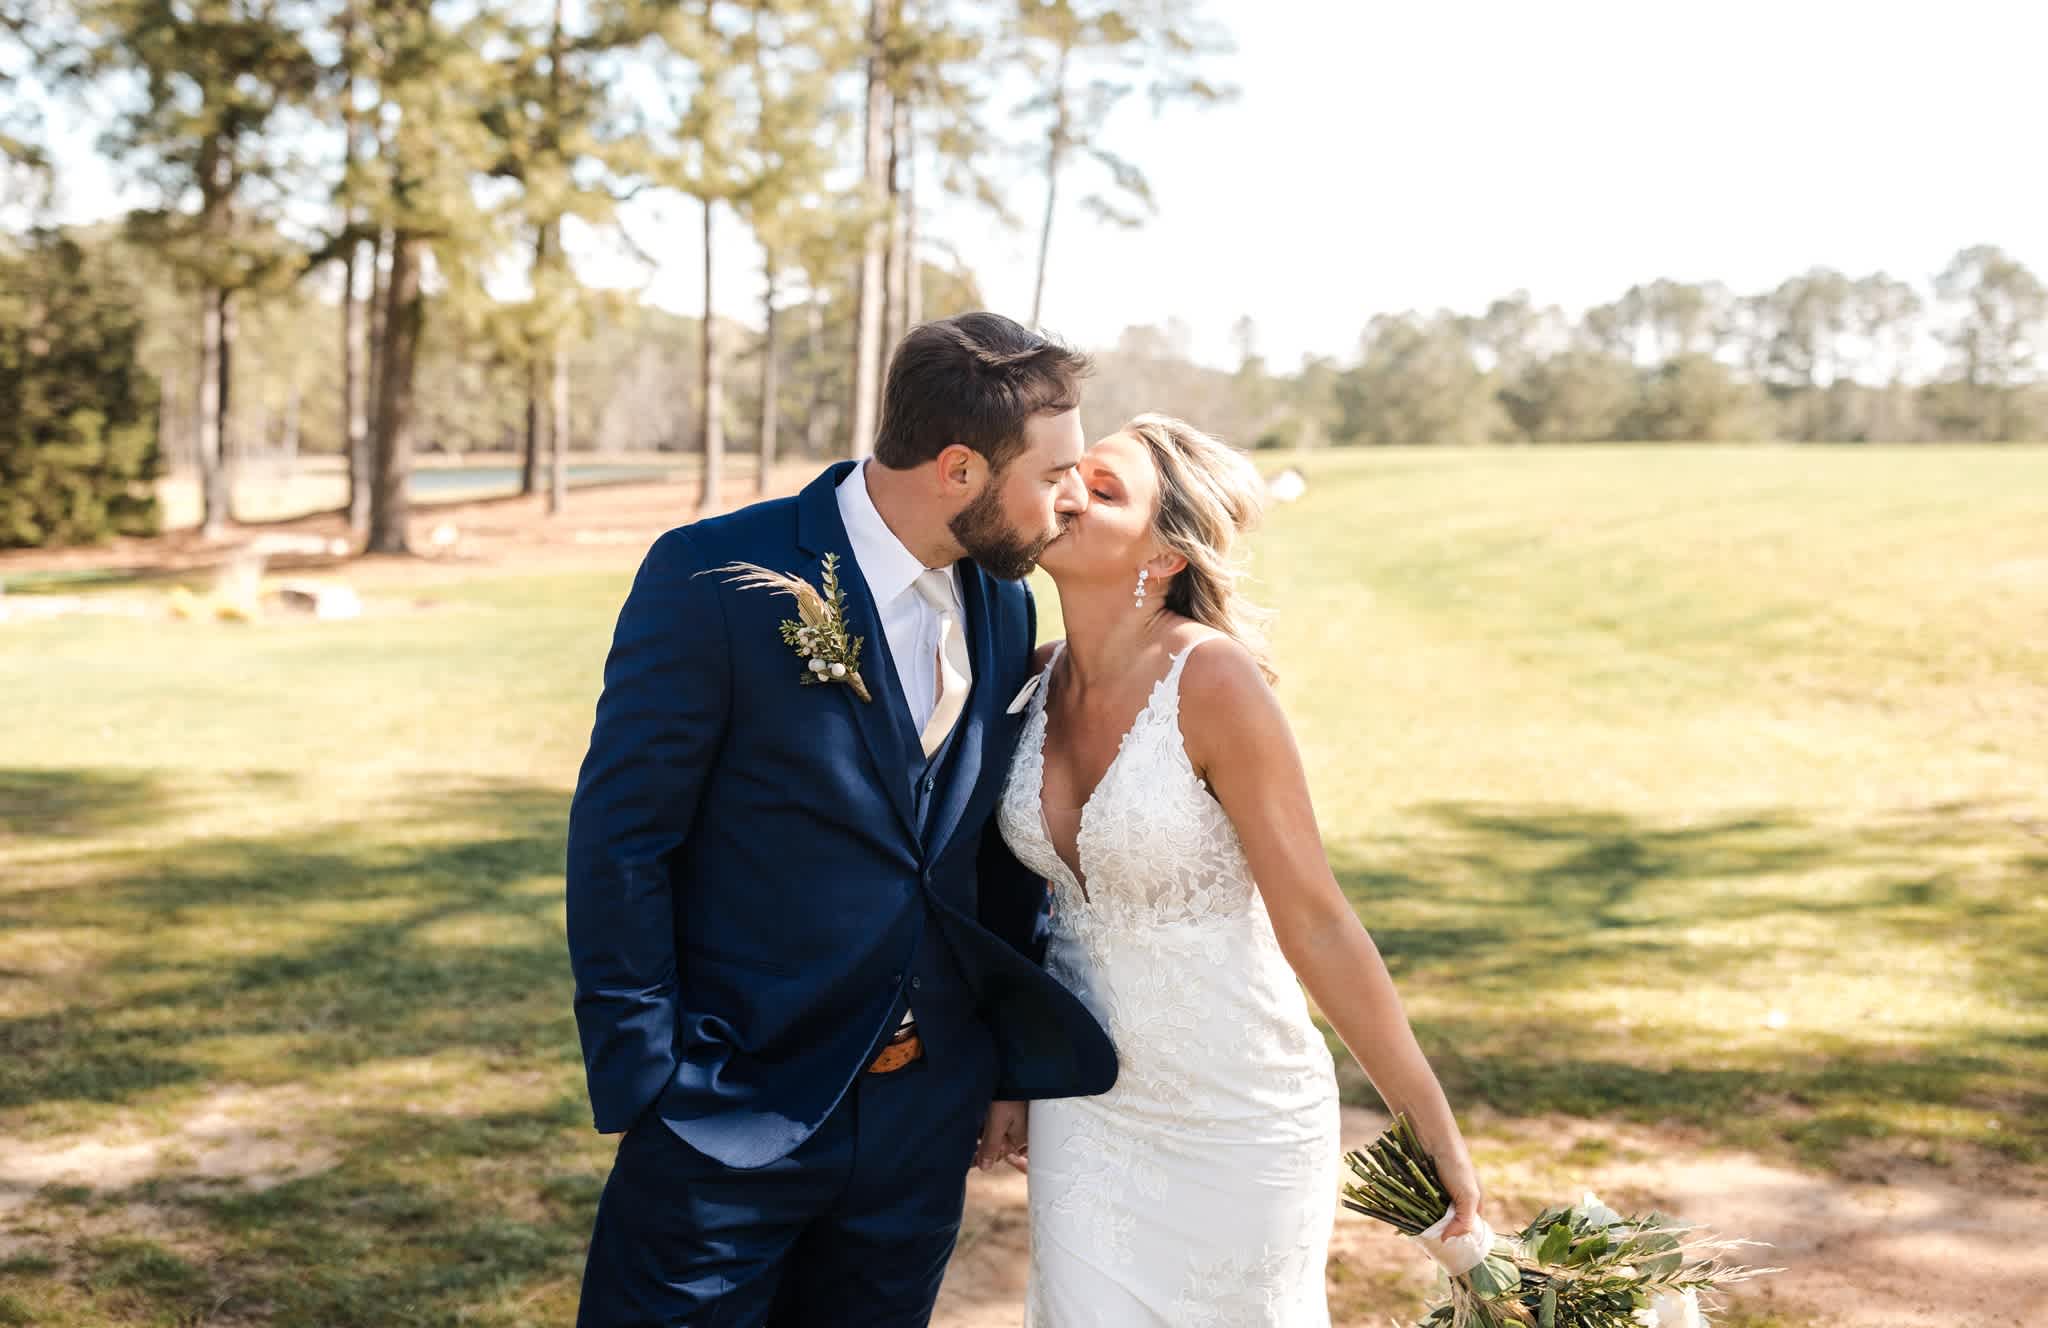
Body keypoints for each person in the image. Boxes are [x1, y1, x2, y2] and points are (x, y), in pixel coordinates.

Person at [565, 312, 1116, 1327]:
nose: (1073, 496)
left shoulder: (1002, 604)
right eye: (1054, 473)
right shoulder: (712, 576)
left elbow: (985, 851)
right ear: (958, 469)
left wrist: (996, 1061)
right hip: (725, 1110)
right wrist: (650, 1077)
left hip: (920, 1129)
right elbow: (621, 839)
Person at [994, 413, 1486, 1326]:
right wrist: (1011, 1072)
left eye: (1105, 491)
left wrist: (1430, 1126)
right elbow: (1016, 908)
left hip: (1237, 1114)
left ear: (1165, 555)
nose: (1069, 495)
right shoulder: (1029, 680)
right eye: (1070, 475)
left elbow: (1318, 921)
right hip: (1085, 1111)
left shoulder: (1214, 683)